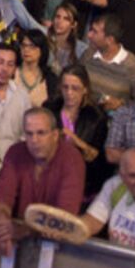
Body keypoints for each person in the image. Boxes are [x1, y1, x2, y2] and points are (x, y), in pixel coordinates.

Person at [0, 107, 87, 256]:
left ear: (55, 135)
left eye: (41, 133)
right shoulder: (15, 152)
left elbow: (64, 215)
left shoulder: (72, 159)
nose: (34, 140)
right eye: (29, 134)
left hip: (59, 250)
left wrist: (24, 230)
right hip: (18, 242)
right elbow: (3, 197)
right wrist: (2, 222)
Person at [44, 64, 111, 198]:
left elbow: (101, 162)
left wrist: (77, 142)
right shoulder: (49, 109)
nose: (69, 93)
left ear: (85, 89)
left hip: (83, 182)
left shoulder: (96, 117)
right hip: (48, 177)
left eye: (75, 88)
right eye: (65, 87)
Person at [79, 13, 135, 111]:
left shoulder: (132, 66)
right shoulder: (88, 55)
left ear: (110, 40)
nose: (89, 35)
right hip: (86, 117)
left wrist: (121, 104)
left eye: (94, 32)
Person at [13, 29, 55, 107]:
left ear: (42, 50)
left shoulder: (50, 78)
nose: (26, 50)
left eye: (32, 46)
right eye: (24, 45)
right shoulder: (11, 71)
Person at [46, 2, 87, 74]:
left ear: (74, 24)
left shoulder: (80, 48)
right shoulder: (45, 37)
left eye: (66, 19)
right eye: (57, 17)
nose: (60, 22)